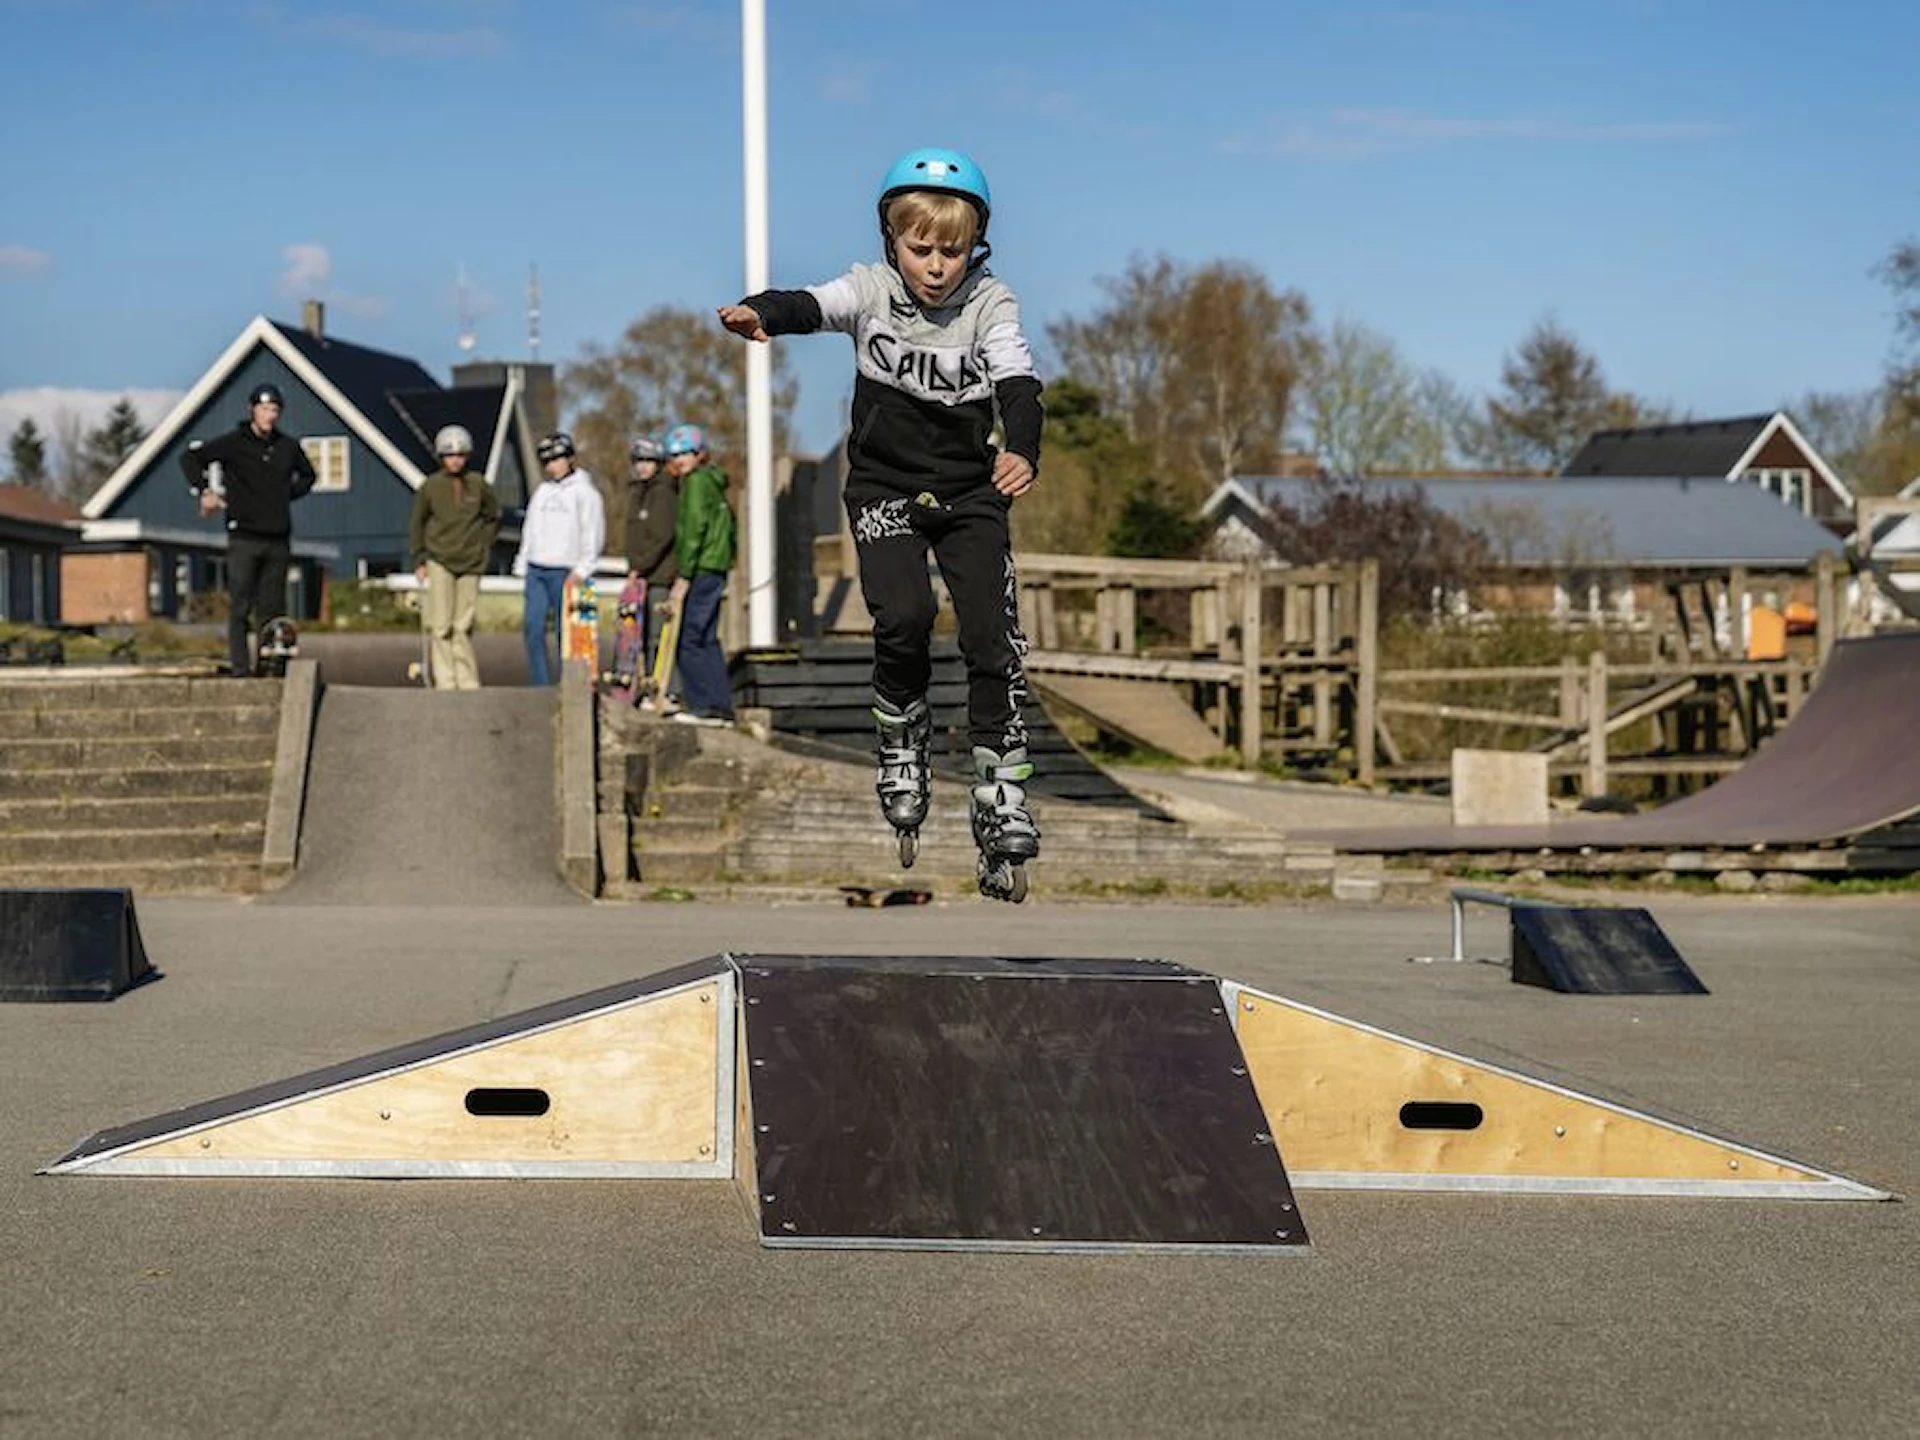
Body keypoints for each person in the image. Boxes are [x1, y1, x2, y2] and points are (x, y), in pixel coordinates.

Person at [716, 146, 1044, 901]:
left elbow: (1019, 379)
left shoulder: (990, 303)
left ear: (976, 247)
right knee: (904, 616)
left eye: (952, 252)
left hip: (969, 492)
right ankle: (902, 735)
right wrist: (763, 312)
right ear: (892, 240)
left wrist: (1022, 448)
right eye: (920, 249)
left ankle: (1000, 785)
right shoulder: (871, 290)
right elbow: (813, 303)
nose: (936, 267)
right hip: (885, 488)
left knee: (992, 636)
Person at [179, 381, 316, 677]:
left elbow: (309, 476)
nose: (270, 415)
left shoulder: (287, 447)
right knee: (240, 606)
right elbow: (190, 458)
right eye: (264, 409)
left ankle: (270, 668)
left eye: (275, 410)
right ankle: (240, 669)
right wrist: (204, 490)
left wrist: (285, 494)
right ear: (253, 410)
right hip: (244, 537)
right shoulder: (235, 443)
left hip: (277, 538)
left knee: (272, 609)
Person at [409, 424, 502, 689]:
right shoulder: (430, 487)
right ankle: (445, 681)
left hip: (471, 561)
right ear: (441, 457)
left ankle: (467, 680)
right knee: (441, 625)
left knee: (463, 625)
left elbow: (494, 516)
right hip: (440, 559)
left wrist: (483, 544)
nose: (455, 460)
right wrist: (419, 559)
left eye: (460, 455)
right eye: (450, 455)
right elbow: (417, 523)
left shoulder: (478, 484)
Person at [512, 432, 605, 686]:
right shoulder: (542, 492)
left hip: (566, 571)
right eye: (546, 462)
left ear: (569, 458)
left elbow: (592, 533)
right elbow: (530, 529)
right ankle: (540, 685)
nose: (551, 466)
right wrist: (523, 562)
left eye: (556, 460)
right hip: (537, 569)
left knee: (568, 634)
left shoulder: (586, 493)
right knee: (533, 628)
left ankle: (572, 684)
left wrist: (583, 569)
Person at [662, 423, 736, 726]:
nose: (679, 460)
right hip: (716, 566)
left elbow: (693, 530)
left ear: (699, 454)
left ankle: (702, 705)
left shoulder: (695, 483)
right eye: (675, 455)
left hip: (702, 567)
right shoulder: (713, 482)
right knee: (707, 638)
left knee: (689, 640)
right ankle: (721, 706)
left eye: (685, 453)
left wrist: (684, 575)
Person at [621, 432, 680, 708]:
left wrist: (640, 565)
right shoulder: (637, 492)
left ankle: (669, 690)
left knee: (659, 636)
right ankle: (648, 688)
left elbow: (662, 535)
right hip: (642, 574)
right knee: (640, 637)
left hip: (659, 575)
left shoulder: (663, 492)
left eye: (648, 461)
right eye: (639, 461)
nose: (643, 467)